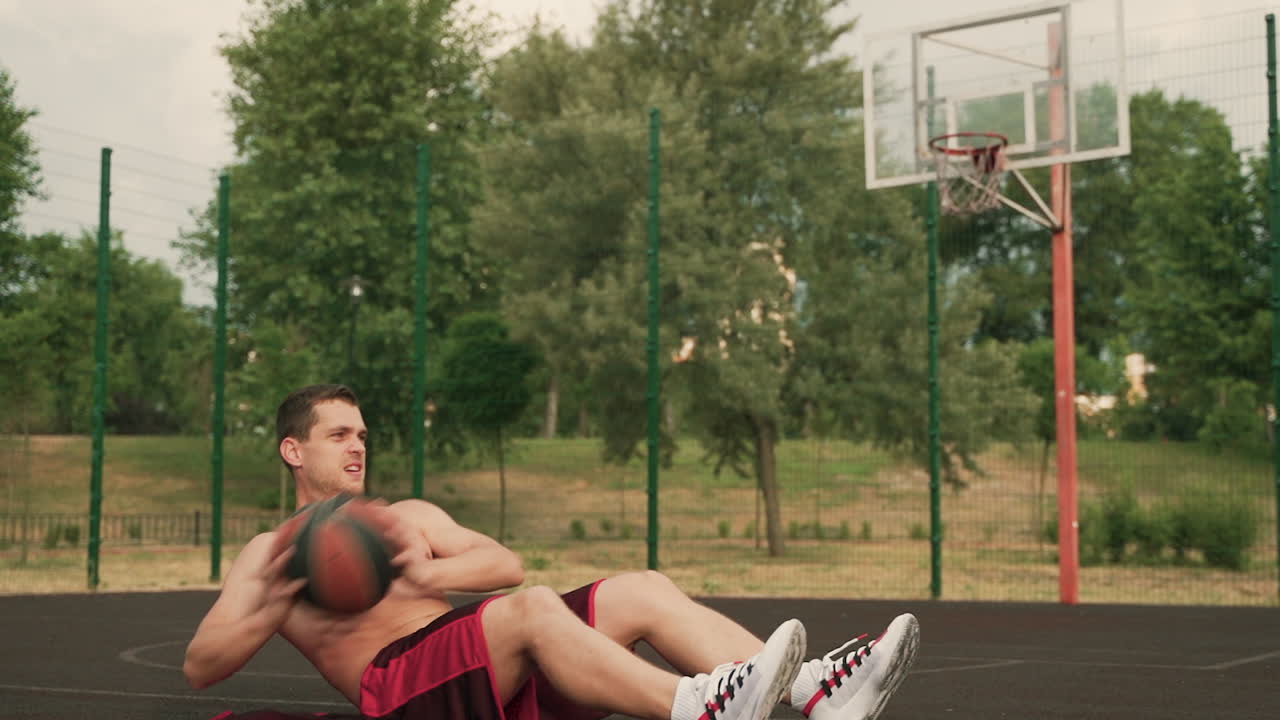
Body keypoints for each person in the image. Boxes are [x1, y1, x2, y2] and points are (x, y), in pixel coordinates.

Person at [184, 384, 919, 720]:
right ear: (293, 449)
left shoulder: (401, 517)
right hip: (403, 693)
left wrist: (428, 567)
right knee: (531, 612)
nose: (357, 446)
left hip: (480, 677)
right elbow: (200, 666)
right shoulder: (270, 554)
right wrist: (280, 595)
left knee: (640, 587)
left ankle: (816, 690)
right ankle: (699, 706)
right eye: (339, 434)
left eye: (363, 435)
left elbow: (504, 565)